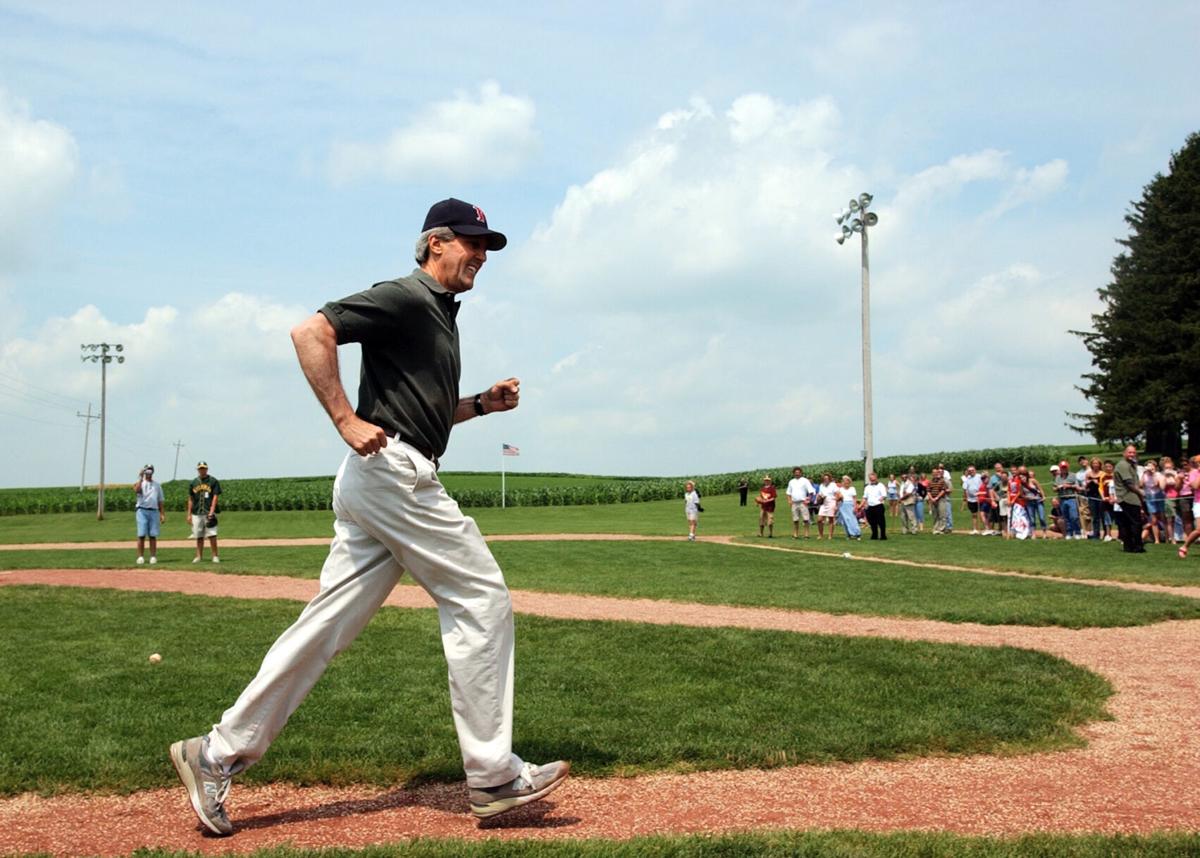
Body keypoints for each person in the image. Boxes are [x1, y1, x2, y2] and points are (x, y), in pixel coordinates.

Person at [168, 199, 568, 836]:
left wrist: (481, 406)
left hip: (384, 475)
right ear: (436, 243)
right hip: (393, 474)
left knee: (324, 627)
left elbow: (423, 414)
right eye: (472, 242)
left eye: (487, 244)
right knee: (481, 598)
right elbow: (311, 331)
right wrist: (343, 418)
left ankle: (214, 753)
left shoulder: (438, 316)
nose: (482, 255)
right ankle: (492, 776)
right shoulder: (407, 297)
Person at [1112, 445, 1146, 553]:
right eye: (1129, 452)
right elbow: (1129, 483)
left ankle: (1128, 546)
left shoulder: (1130, 465)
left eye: (1133, 453)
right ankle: (1137, 546)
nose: (1132, 454)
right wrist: (1140, 492)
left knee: (1127, 523)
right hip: (1128, 498)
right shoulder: (1123, 465)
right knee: (1136, 523)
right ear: (1124, 453)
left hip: (1130, 497)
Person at [186, 462, 222, 563]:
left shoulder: (213, 481)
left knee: (212, 534)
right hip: (196, 513)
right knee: (198, 535)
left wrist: (212, 511)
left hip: (208, 512)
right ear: (198, 470)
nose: (202, 470)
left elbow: (215, 497)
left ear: (207, 469)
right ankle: (198, 556)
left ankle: (215, 556)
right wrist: (188, 514)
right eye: (200, 468)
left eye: (204, 468)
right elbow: (190, 499)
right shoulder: (193, 482)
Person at [133, 464, 166, 565]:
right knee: (141, 535)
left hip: (154, 511)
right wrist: (140, 477)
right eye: (147, 470)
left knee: (153, 535)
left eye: (150, 470)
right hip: (142, 510)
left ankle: (153, 556)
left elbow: (160, 500)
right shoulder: (141, 483)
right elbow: (136, 490)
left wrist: (162, 514)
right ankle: (140, 557)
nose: (149, 472)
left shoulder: (157, 485)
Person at [1053, 461, 1083, 540]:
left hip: (1071, 498)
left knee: (1074, 516)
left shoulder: (1073, 475)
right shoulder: (1057, 477)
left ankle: (1077, 532)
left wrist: (1069, 486)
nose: (1064, 469)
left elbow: (1077, 486)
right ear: (1060, 468)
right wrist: (1057, 488)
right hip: (1062, 499)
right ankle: (1069, 533)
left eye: (1065, 467)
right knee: (1066, 517)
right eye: (1062, 468)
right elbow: (1054, 488)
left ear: (1067, 467)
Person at [786, 467, 815, 539]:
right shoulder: (791, 481)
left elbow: (811, 491)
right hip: (794, 503)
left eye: (798, 473)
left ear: (801, 473)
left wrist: (809, 499)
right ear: (793, 473)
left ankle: (806, 534)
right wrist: (789, 500)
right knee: (795, 520)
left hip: (803, 502)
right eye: (795, 473)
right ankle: (795, 534)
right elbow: (788, 492)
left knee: (805, 519)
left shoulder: (805, 481)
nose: (797, 474)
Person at [862, 472, 888, 540]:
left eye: (873, 479)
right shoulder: (867, 487)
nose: (872, 480)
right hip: (870, 506)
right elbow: (865, 497)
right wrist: (863, 505)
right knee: (872, 522)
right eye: (871, 479)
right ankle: (874, 534)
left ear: (876, 478)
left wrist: (881, 499)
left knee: (881, 521)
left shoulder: (880, 485)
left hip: (878, 505)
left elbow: (884, 495)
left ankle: (883, 535)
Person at [836, 475, 861, 540]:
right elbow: (837, 499)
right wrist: (839, 498)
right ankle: (848, 534)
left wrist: (855, 507)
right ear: (843, 482)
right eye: (844, 482)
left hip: (850, 504)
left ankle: (857, 534)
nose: (846, 483)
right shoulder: (840, 489)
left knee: (853, 520)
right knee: (845, 520)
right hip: (842, 505)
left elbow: (854, 498)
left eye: (847, 482)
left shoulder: (852, 488)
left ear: (849, 482)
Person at [927, 467, 950, 534]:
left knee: (942, 515)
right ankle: (935, 529)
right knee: (935, 515)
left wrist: (937, 497)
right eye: (933, 473)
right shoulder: (930, 481)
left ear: (938, 473)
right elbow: (928, 491)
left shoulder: (942, 481)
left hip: (941, 499)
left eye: (936, 472)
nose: (934, 474)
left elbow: (943, 490)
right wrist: (931, 498)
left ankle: (941, 529)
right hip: (933, 500)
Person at [961, 466, 983, 535]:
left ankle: (986, 528)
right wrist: (966, 498)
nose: (971, 472)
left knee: (982, 514)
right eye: (970, 471)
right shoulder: (967, 479)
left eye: (972, 470)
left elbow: (984, 485)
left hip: (980, 498)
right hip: (971, 499)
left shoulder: (979, 476)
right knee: (974, 514)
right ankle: (974, 529)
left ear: (975, 470)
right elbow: (965, 489)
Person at [817, 473, 838, 540]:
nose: (826, 479)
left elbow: (837, 494)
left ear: (829, 479)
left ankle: (830, 535)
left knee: (830, 519)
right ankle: (820, 535)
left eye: (827, 478)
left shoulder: (833, 485)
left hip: (831, 502)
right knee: (819, 520)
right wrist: (819, 497)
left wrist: (836, 505)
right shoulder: (821, 485)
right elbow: (819, 494)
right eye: (824, 478)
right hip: (823, 503)